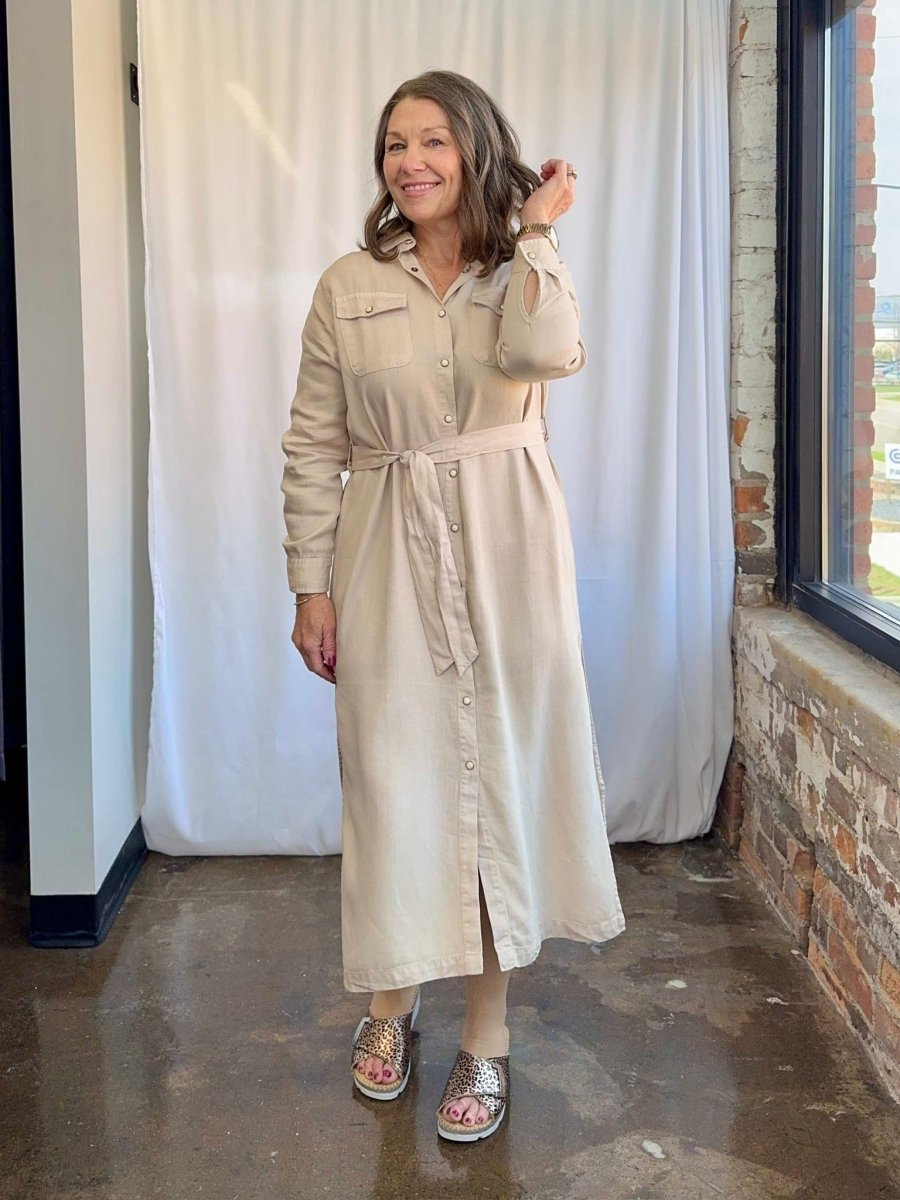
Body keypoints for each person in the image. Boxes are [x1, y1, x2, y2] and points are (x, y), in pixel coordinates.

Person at [280, 68, 625, 1143]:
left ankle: (488, 1034)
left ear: (475, 149)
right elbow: (313, 446)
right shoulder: (349, 285)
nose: (411, 161)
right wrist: (310, 584)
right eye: (394, 144)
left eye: (433, 140)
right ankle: (390, 1005)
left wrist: (537, 233)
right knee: (395, 781)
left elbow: (546, 355)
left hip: (511, 552)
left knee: (497, 785)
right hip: (385, 549)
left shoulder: (520, 272)